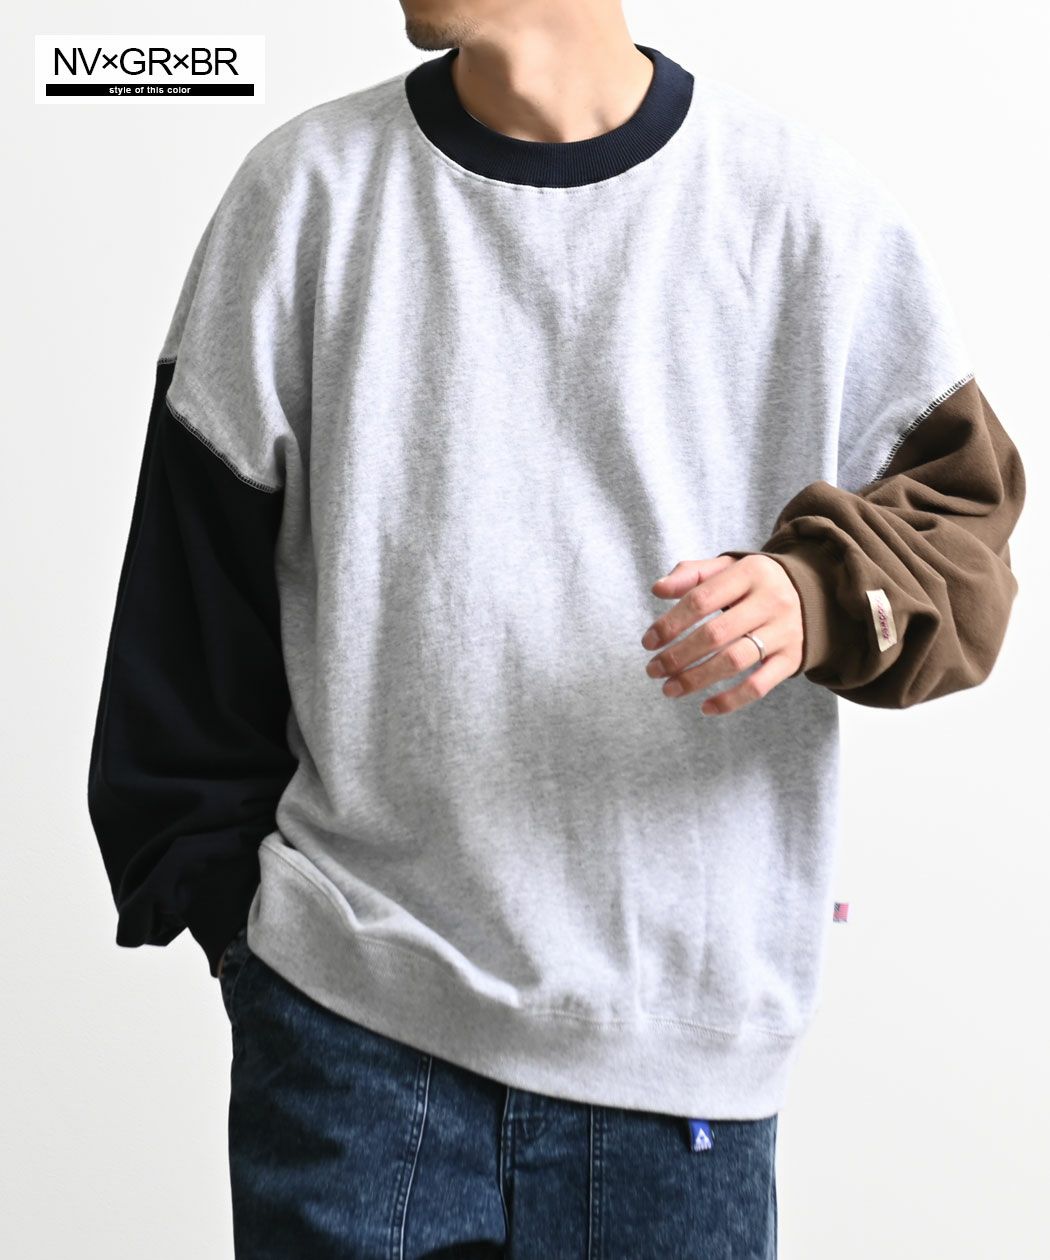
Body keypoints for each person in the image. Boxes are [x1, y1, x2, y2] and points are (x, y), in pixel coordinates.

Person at [86, 1, 1026, 1255]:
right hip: (352, 1045)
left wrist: (816, 595)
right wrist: (245, 946)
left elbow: (967, 540)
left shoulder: (803, 216)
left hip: (684, 1083)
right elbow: (190, 607)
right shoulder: (305, 197)